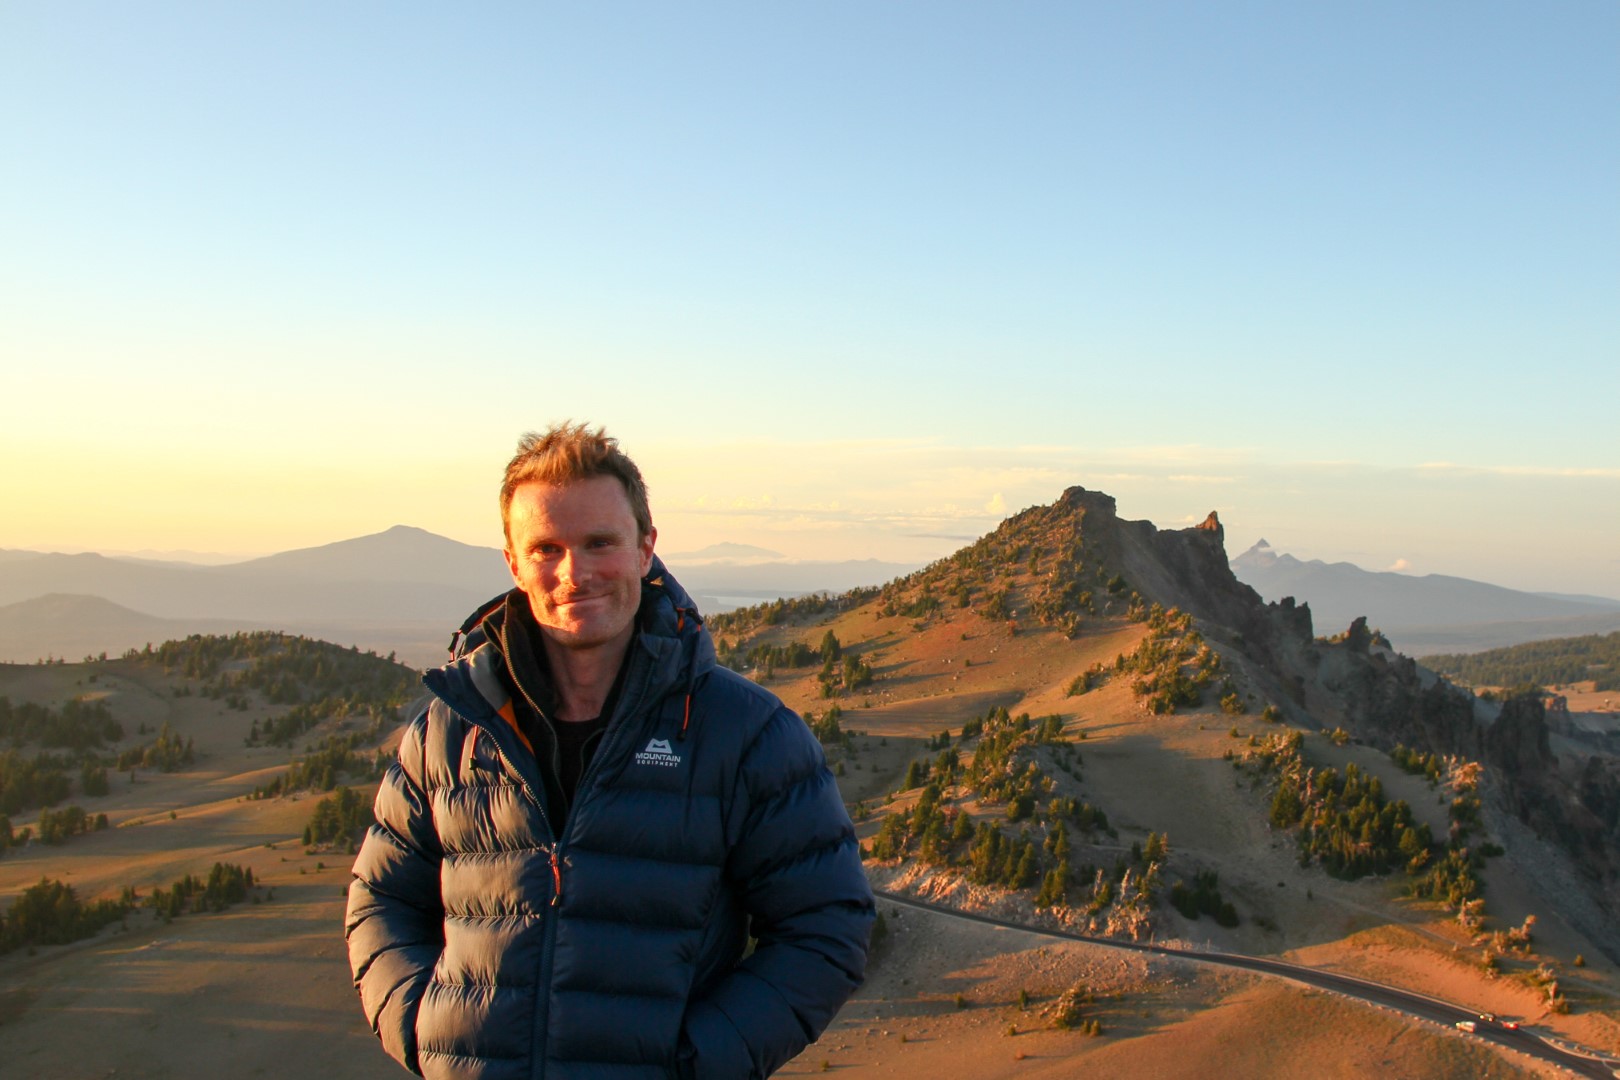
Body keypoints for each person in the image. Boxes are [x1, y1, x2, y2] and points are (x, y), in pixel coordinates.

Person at [345, 423, 874, 1080]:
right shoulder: (450, 733)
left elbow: (827, 926)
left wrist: (694, 1063)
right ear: (513, 562)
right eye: (546, 548)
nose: (575, 573)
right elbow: (381, 900)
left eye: (600, 543)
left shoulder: (743, 733)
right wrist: (426, 1032)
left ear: (645, 548)